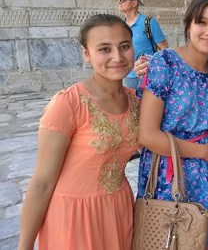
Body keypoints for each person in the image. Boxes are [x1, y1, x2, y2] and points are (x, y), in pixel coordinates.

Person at [18, 14, 139, 250]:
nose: (117, 56)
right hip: (74, 215)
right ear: (86, 54)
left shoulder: (135, 101)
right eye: (104, 49)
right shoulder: (69, 103)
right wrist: (24, 246)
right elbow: (42, 182)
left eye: (124, 46)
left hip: (119, 209)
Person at [135, 0, 208, 249]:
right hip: (169, 181)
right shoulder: (164, 63)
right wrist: (202, 152)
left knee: (200, 242)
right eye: (202, 22)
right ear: (189, 24)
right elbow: (147, 135)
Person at [117, 0, 169, 89]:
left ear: (134, 3)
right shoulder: (121, 25)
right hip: (129, 76)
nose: (119, 2)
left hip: (148, 74)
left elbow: (164, 48)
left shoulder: (149, 22)